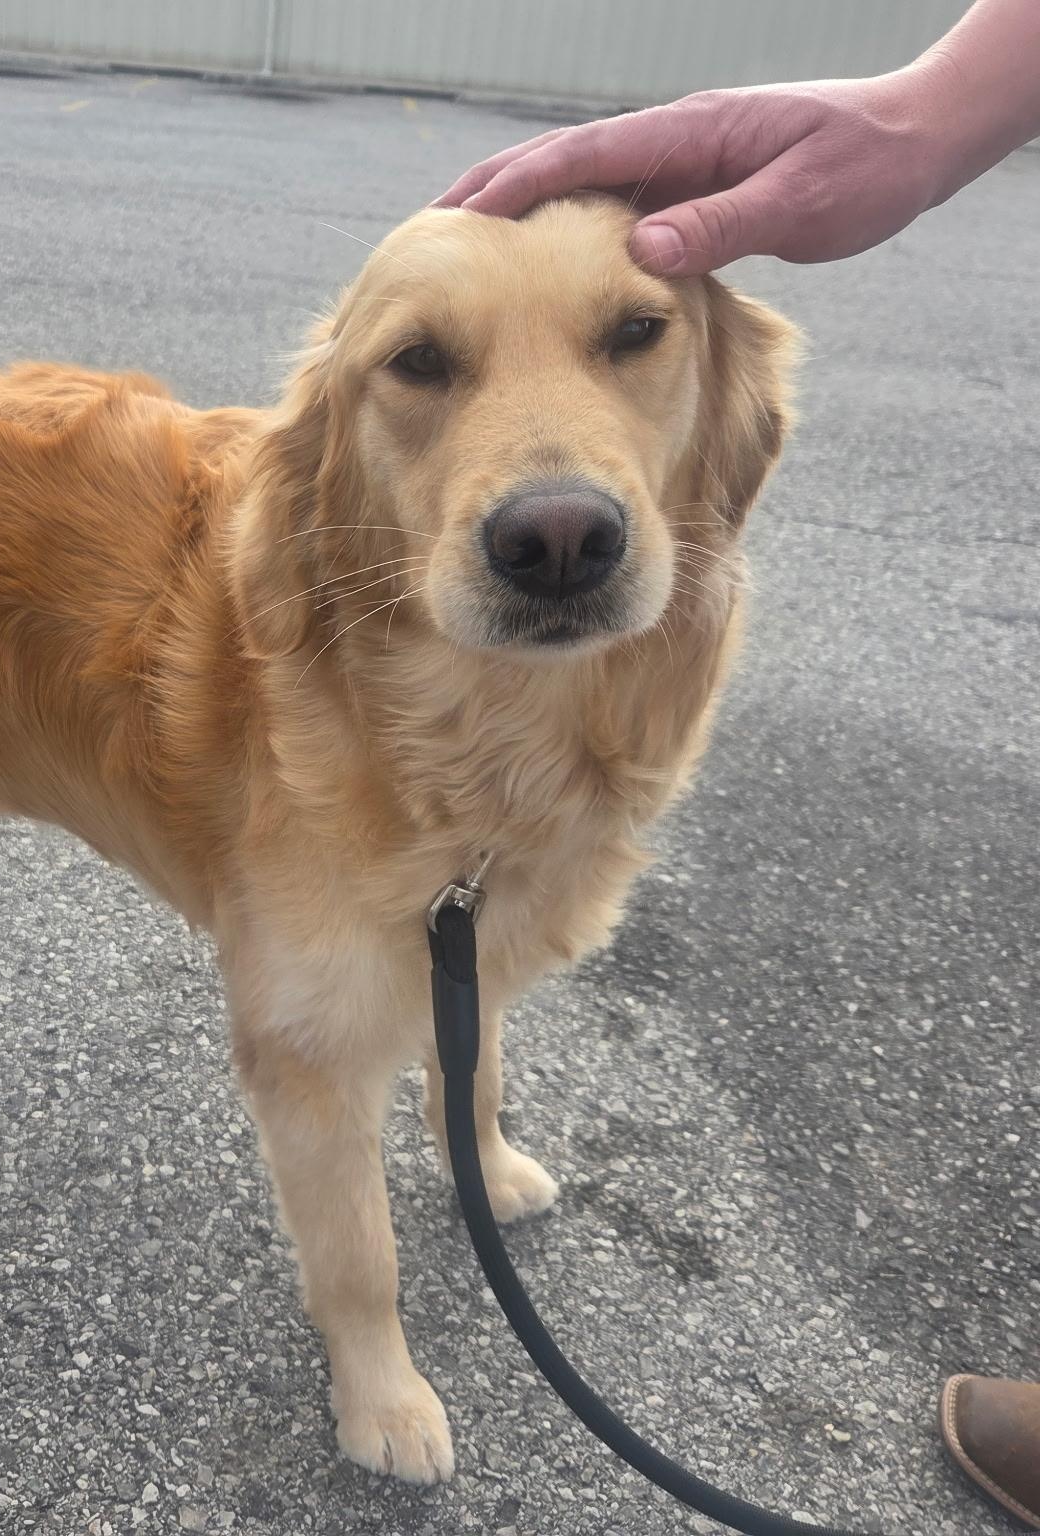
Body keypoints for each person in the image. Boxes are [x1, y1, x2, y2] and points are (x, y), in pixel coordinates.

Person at [435, 0, 1040, 1528]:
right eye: (431, 365)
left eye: (631, 335)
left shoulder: (731, 432)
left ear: (737, 427)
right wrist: (931, 111)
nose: (552, 503)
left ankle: (475, 1122)